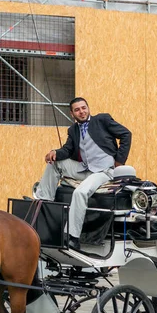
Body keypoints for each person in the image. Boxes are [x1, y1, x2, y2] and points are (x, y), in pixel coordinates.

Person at [34, 97, 132, 250]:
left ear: (88, 108)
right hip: (85, 169)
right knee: (54, 163)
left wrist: (119, 160)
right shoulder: (73, 130)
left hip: (104, 171)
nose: (81, 112)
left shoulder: (102, 120)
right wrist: (55, 152)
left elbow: (126, 134)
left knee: (80, 193)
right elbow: (67, 150)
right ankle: (44, 201)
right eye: (77, 109)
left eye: (83, 108)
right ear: (72, 113)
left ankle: (73, 237)